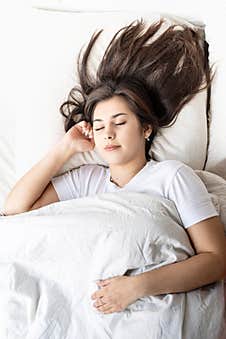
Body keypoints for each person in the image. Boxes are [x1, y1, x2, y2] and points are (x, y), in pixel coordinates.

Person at [3, 19, 226, 315]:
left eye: (120, 123)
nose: (108, 133)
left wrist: (138, 286)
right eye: (99, 126)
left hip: (144, 300)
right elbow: (16, 210)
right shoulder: (86, 180)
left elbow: (215, 259)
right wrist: (64, 149)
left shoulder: (173, 176)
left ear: (146, 129)